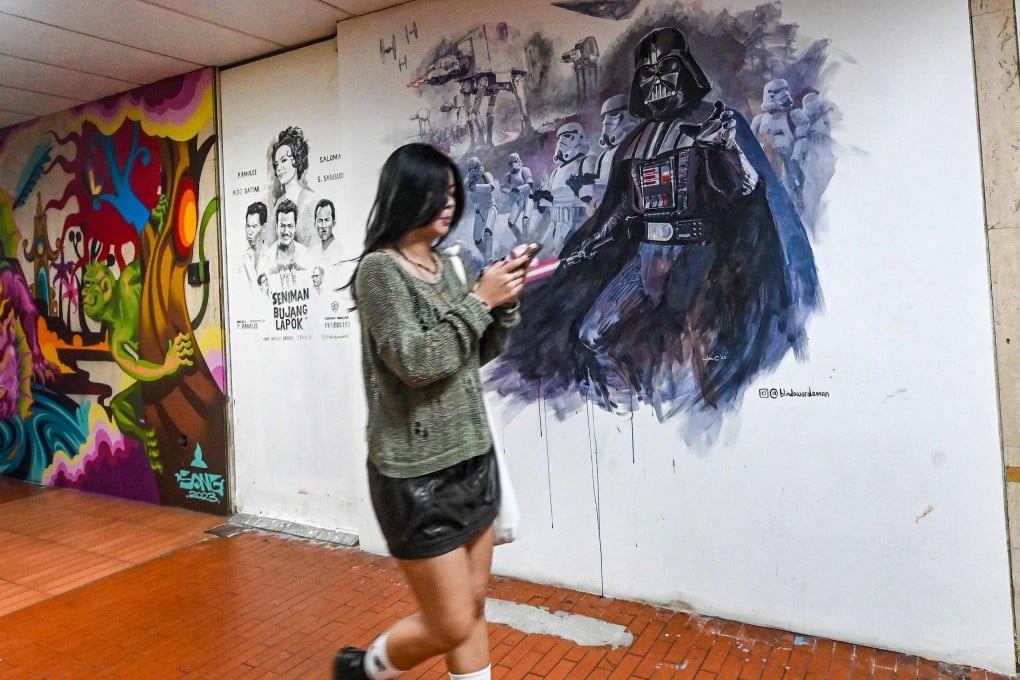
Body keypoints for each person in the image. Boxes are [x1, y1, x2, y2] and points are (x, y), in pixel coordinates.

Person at [335, 143, 531, 680]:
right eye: (435, 192)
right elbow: (417, 363)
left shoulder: (452, 265)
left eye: (451, 192)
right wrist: (481, 300)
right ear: (404, 194)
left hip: (474, 459)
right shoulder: (379, 272)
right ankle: (366, 668)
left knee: (473, 607)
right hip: (417, 478)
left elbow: (471, 355)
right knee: (449, 622)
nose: (449, 203)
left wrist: (503, 303)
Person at [257, 199, 312, 289]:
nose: (286, 231)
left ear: (295, 227)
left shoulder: (307, 255)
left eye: (290, 226)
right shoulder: (266, 259)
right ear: (276, 227)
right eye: (282, 226)